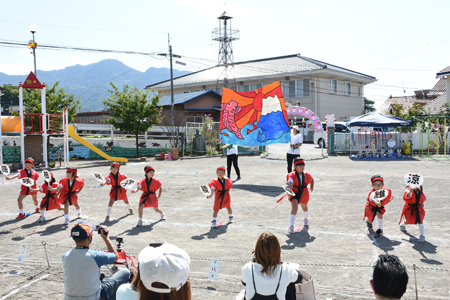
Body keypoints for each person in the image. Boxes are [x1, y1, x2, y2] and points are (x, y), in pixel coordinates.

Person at [62, 222, 130, 300]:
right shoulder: (95, 256)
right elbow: (115, 256)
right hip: (95, 297)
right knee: (125, 272)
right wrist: (106, 237)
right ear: (89, 237)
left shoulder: (65, 256)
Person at [116, 243, 191, 300]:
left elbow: (130, 291)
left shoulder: (123, 291)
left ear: (141, 282)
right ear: (187, 285)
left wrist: (137, 278)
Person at [241, 232, 303, 300]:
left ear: (257, 250)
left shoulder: (248, 268)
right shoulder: (285, 269)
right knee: (290, 284)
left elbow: (244, 282)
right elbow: (299, 277)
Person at [286, 158, 314, 233]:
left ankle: (306, 219)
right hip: (294, 193)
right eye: (299, 165)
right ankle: (291, 226)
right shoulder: (292, 175)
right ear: (295, 167)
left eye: (303, 165)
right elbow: (290, 184)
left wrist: (311, 187)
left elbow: (312, 180)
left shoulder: (307, 174)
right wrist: (289, 191)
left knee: (304, 207)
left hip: (304, 192)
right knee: (295, 208)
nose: (302, 167)